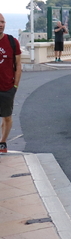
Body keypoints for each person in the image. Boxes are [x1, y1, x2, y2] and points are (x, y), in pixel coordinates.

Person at [0, 13, 22, 153]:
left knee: (7, 116)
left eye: (2, 21)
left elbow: (18, 65)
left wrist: (15, 86)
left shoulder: (12, 41)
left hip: (7, 87)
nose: (1, 24)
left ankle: (2, 142)